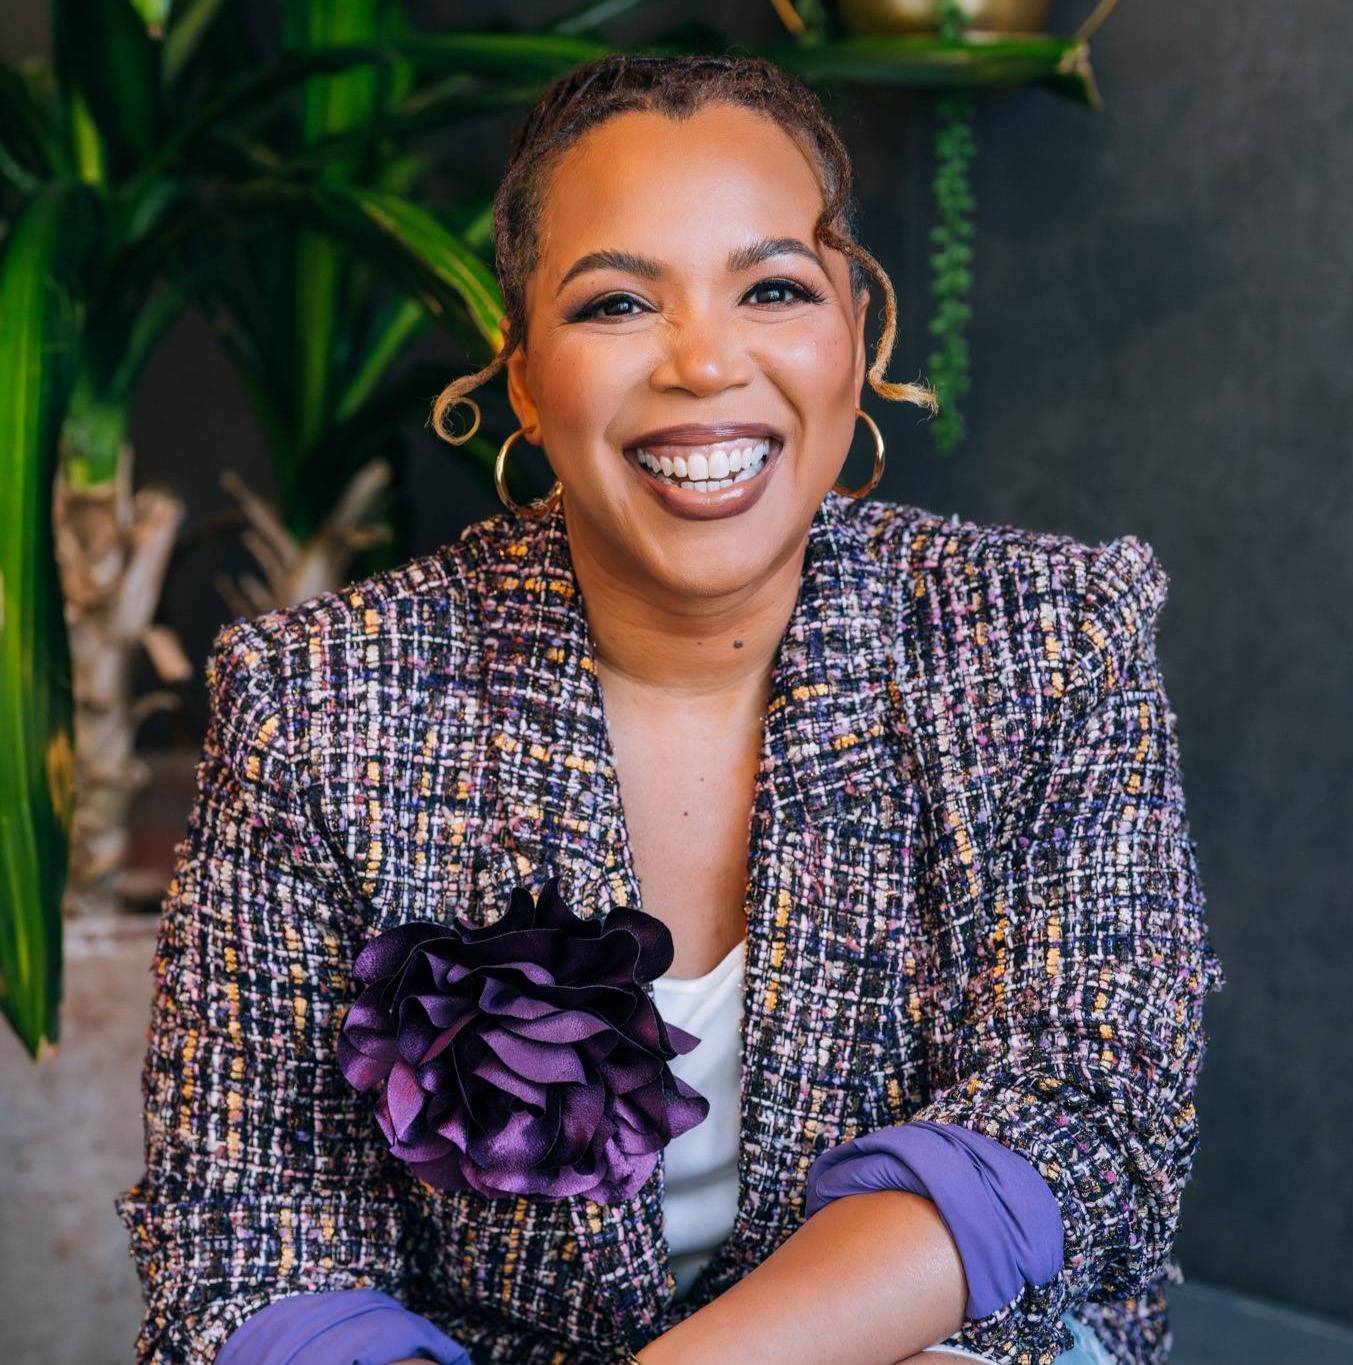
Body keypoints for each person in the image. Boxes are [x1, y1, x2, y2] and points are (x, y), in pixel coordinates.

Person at [114, 52, 1226, 1365]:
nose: (703, 361)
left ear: (858, 341)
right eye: (617, 303)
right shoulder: (317, 702)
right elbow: (247, 1233)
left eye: (773, 288)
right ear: (524, 379)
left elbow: (1083, 1107)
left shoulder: (1049, 639)